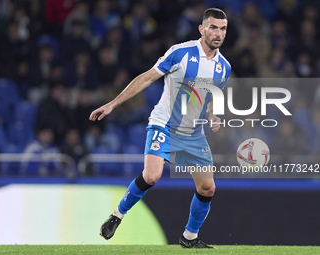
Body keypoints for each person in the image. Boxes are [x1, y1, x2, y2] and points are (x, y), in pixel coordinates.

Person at [89, 8, 231, 249]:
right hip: (163, 124)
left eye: (223, 28)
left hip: (192, 133)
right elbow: (146, 78)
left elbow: (209, 97)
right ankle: (117, 215)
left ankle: (189, 237)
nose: (218, 33)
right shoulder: (180, 53)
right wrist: (113, 104)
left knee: (207, 187)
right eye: (213, 27)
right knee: (151, 176)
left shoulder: (223, 67)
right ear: (202, 29)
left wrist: (212, 114)